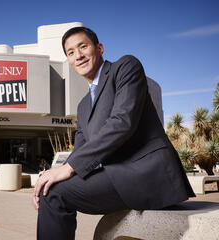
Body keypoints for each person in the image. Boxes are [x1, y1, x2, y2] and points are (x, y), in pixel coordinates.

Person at [33, 27, 195, 240]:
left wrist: (69, 169)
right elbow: (80, 151)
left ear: (99, 48)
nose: (78, 55)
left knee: (55, 194)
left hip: (148, 175)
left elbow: (122, 122)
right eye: (70, 52)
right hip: (117, 176)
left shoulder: (126, 67)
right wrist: (51, 176)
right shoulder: (83, 106)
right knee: (49, 190)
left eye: (83, 47)